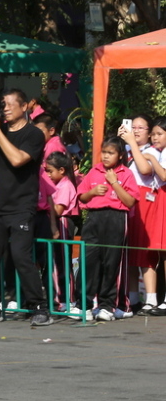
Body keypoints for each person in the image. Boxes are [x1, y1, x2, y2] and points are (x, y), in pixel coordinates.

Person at [0, 89, 51, 326]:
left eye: (10, 105)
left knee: (20, 256)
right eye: (2, 105)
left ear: (24, 107)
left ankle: (39, 307)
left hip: (22, 207)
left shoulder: (34, 134)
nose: (4, 109)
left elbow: (17, 159)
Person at [76, 136, 139, 322]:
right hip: (94, 218)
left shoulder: (126, 173)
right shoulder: (94, 171)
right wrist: (92, 192)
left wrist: (114, 183)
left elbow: (129, 201)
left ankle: (107, 305)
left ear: (120, 155)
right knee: (88, 260)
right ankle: (84, 304)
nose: (105, 156)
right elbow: (82, 197)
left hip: (116, 218)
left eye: (110, 153)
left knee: (111, 262)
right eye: (104, 152)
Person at [117, 115, 161, 313]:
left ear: (149, 131)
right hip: (125, 198)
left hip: (145, 200)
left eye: (140, 128)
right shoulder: (125, 149)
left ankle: (150, 299)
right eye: (132, 126)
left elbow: (144, 170)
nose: (135, 130)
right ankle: (132, 297)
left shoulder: (153, 151)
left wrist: (133, 144)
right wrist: (122, 143)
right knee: (130, 250)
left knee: (144, 249)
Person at [43, 151, 79, 309]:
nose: (47, 174)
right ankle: (57, 297)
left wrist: (45, 204)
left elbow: (57, 209)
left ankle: (68, 298)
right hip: (54, 222)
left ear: (62, 170)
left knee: (63, 262)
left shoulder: (66, 185)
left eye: (50, 171)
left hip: (63, 223)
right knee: (54, 263)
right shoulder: (54, 184)